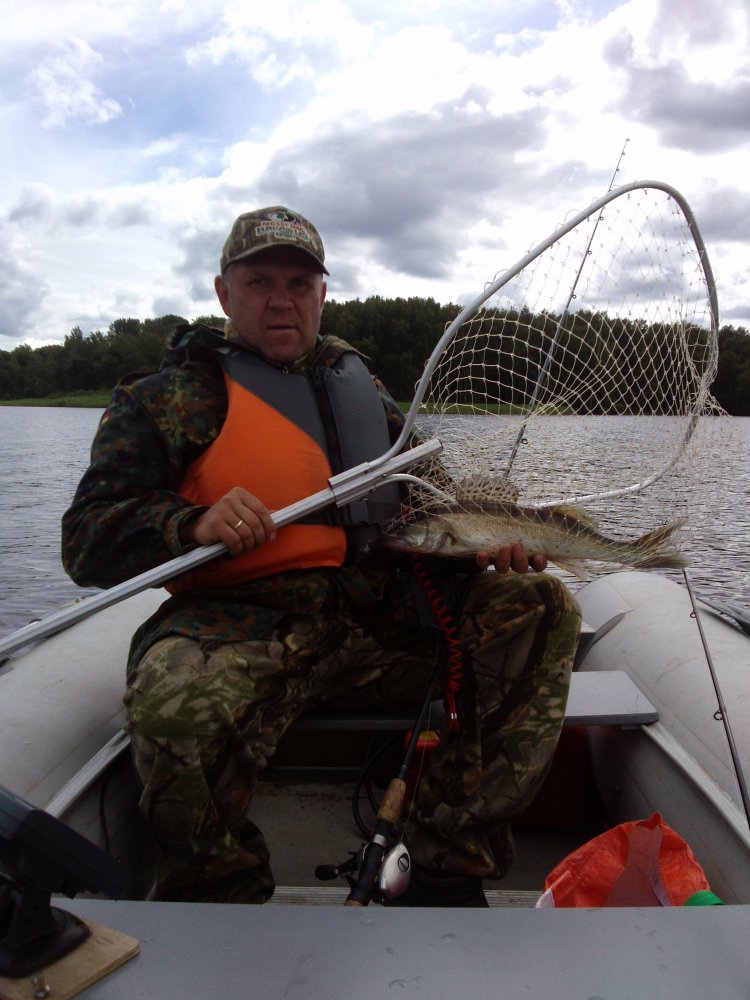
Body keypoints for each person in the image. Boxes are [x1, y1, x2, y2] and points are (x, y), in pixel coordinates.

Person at [62, 206, 581, 906]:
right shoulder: (164, 401)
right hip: (243, 625)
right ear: (223, 294)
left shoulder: (367, 393)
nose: (282, 300)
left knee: (542, 606)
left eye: (299, 284)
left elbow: (432, 506)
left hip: (383, 622)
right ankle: (221, 892)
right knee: (176, 709)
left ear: (322, 295)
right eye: (260, 282)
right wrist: (187, 524)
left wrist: (488, 549)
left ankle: (445, 860)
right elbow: (85, 539)